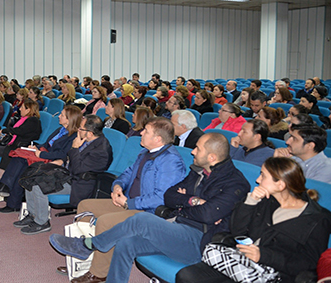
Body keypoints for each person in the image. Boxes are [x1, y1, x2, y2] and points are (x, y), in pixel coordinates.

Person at [48, 133, 250, 283]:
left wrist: (185, 201)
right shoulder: (198, 171)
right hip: (177, 227)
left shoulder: (236, 183)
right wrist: (193, 201)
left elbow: (207, 215)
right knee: (127, 244)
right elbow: (170, 196)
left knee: (140, 220)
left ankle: (87, 246)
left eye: (197, 149)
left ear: (212, 157)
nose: (192, 151)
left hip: (198, 241)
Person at [61, 116, 189, 282]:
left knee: (105, 222)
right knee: (86, 205)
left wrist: (129, 203)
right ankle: (84, 259)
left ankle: (99, 273)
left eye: (146, 131)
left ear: (158, 139)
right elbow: (128, 173)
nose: (141, 132)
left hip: (145, 211)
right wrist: (117, 186)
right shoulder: (145, 152)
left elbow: (161, 198)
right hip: (128, 202)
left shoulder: (171, 161)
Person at [176, 157, 331, 283]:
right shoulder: (264, 201)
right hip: (241, 262)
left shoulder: (317, 219)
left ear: (281, 185)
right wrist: (250, 201)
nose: (257, 180)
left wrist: (263, 255)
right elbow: (237, 232)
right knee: (186, 275)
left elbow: (309, 263)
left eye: (263, 176)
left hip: (274, 272)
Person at [16, 115, 112, 235]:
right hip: (67, 174)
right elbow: (70, 159)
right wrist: (63, 161)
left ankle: (42, 222)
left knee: (38, 187)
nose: (78, 130)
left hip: (79, 183)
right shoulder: (88, 140)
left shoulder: (101, 151)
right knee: (31, 177)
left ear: (90, 133)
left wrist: (74, 148)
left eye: (81, 129)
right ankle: (32, 214)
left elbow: (78, 169)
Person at [0, 105, 82, 213]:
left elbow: (63, 154)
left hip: (54, 161)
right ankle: (7, 191)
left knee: (24, 164)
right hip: (44, 155)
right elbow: (47, 144)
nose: (59, 116)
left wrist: (41, 154)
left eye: (62, 115)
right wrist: (36, 148)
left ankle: (8, 194)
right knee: (19, 158)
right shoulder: (60, 130)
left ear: (69, 119)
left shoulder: (74, 136)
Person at [0, 100, 42, 190]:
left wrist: (6, 130)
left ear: (28, 110)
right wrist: (8, 131)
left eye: (22, 107)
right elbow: (16, 131)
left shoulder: (33, 121)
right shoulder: (24, 119)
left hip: (18, 147)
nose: (20, 109)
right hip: (13, 143)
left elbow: (19, 131)